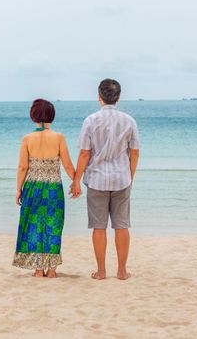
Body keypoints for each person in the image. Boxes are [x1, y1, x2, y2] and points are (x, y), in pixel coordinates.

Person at [70, 79, 140, 281]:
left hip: (96, 180)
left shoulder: (91, 120)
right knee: (122, 225)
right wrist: (130, 176)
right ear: (118, 97)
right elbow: (134, 153)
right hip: (121, 179)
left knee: (98, 227)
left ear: (99, 97)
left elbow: (85, 153)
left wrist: (76, 180)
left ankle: (101, 271)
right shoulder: (129, 121)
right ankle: (122, 271)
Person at [12, 98, 76, 278]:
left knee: (34, 226)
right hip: (53, 188)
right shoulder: (59, 137)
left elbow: (22, 167)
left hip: (33, 187)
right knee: (53, 226)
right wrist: (76, 182)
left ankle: (38, 270)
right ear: (51, 116)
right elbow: (68, 165)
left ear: (33, 116)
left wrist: (18, 190)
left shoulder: (27, 139)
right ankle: (52, 270)